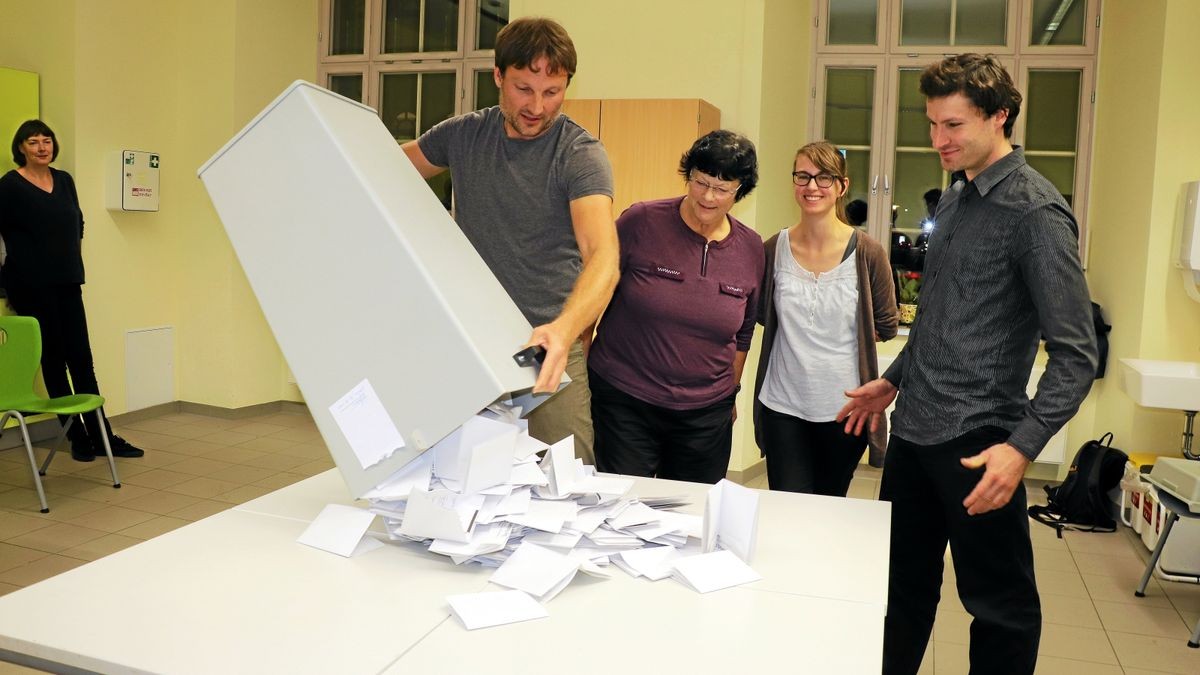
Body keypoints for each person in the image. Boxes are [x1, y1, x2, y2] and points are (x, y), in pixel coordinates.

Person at [836, 54, 1097, 675]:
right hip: (913, 437)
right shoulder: (954, 201)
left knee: (999, 608)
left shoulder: (1036, 213)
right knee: (900, 591)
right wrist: (892, 383)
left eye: (952, 125)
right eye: (931, 124)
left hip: (980, 443)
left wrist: (1022, 448)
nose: (937, 140)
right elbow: (937, 318)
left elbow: (1077, 355)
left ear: (999, 116)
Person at [401, 17, 618, 463]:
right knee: (460, 473)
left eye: (552, 92)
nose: (537, 106)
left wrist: (564, 330)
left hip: (547, 344)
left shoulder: (579, 153)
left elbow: (603, 257)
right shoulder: (462, 135)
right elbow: (379, 171)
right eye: (523, 88)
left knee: (566, 481)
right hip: (471, 340)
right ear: (498, 76)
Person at [586, 130, 762, 483]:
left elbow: (743, 333)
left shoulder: (752, 248)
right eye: (701, 182)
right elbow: (593, 291)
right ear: (688, 176)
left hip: (705, 415)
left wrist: (729, 395)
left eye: (722, 189)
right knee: (621, 509)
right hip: (625, 400)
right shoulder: (641, 221)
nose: (708, 196)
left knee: (690, 515)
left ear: (739, 192)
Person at [752, 141, 897, 496]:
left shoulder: (868, 253)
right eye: (803, 176)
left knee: (828, 507)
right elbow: (760, 315)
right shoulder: (773, 249)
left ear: (842, 187)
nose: (812, 186)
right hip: (782, 406)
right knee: (788, 507)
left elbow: (886, 324)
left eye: (824, 178)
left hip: (845, 411)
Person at [0, 120, 144, 462]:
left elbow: (76, 224)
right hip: (31, 286)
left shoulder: (64, 181)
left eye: (46, 140)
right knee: (52, 361)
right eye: (32, 142)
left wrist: (73, 261)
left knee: (81, 359)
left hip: (67, 282)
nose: (41, 147)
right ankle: (75, 436)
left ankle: (102, 436)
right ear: (21, 147)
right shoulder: (9, 186)